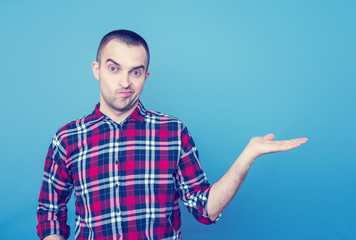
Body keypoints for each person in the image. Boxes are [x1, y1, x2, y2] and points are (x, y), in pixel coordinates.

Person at [36, 29, 308, 240]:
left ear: (146, 75)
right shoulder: (67, 138)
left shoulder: (173, 133)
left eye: (136, 72)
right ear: (97, 69)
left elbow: (205, 210)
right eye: (113, 68)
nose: (125, 82)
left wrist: (247, 156)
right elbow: (51, 212)